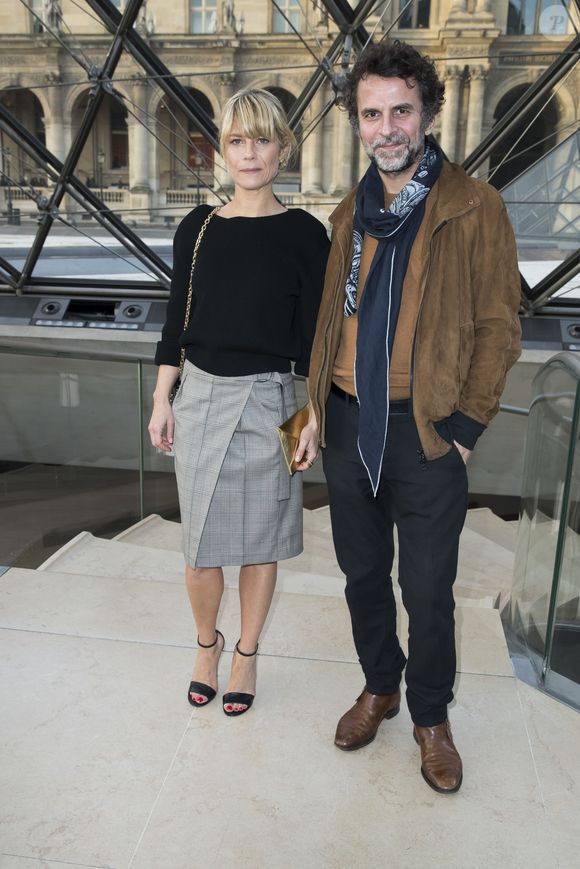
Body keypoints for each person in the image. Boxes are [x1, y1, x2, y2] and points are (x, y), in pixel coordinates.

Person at [304, 40, 521, 792]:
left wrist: (464, 430)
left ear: (427, 112)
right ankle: (380, 686)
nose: (387, 127)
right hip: (346, 422)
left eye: (401, 110)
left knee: (427, 589)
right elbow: (331, 321)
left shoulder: (473, 205)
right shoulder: (349, 212)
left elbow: (499, 326)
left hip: (426, 431)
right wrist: (313, 408)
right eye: (372, 114)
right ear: (357, 123)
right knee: (362, 574)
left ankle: (431, 715)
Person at [149, 88, 329, 717]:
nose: (250, 154)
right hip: (199, 397)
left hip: (274, 401)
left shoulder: (306, 234)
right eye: (236, 140)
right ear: (222, 151)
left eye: (262, 140)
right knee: (199, 547)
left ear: (283, 149)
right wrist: (162, 398)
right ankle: (208, 645)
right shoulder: (197, 228)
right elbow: (177, 320)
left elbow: (317, 340)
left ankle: (246, 654)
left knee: (261, 542)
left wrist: (313, 419)